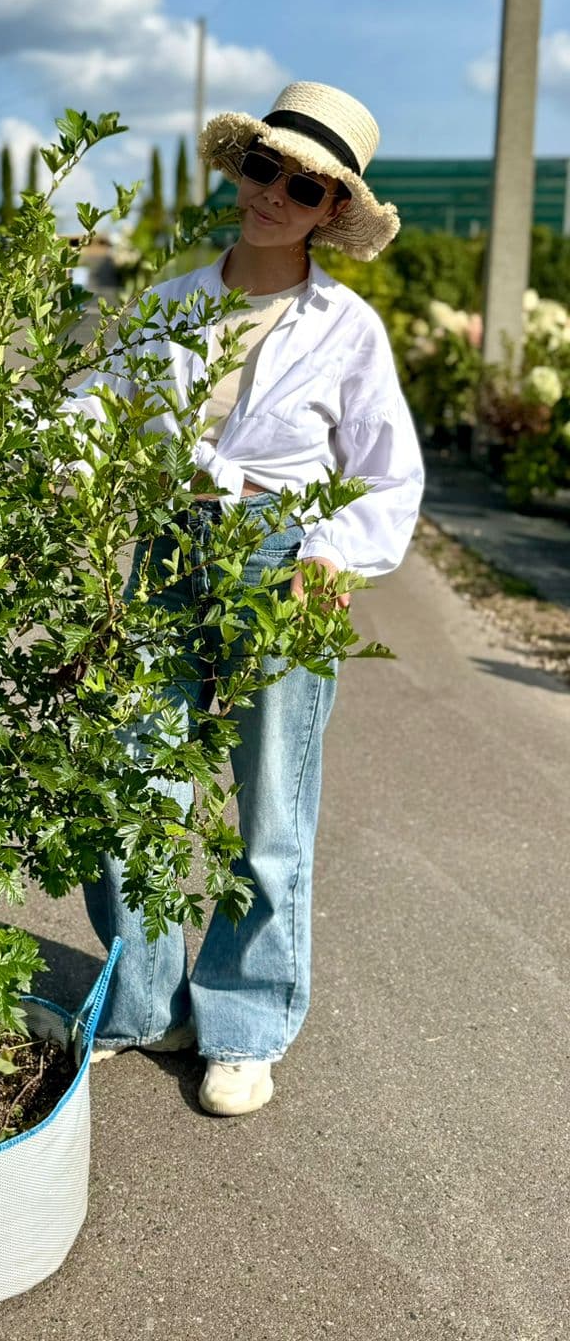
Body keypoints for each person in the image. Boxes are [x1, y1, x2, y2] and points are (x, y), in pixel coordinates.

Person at [65, 80, 426, 1115]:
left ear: (330, 212)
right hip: (173, 546)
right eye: (265, 168)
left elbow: (387, 473)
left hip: (287, 556)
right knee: (133, 776)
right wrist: (23, 445)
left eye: (305, 186)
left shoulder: (347, 328)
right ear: (241, 172)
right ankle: (143, 1002)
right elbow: (99, 418)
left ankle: (245, 1016)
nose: (276, 193)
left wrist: (334, 556)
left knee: (272, 797)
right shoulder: (176, 300)